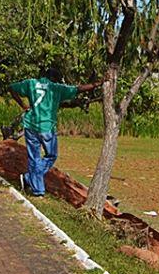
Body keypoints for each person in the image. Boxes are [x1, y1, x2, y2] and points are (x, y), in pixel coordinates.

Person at [8, 68, 100, 197]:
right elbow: (78, 89)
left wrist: (23, 105)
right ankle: (34, 185)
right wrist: (96, 84)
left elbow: (11, 87)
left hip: (30, 125)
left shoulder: (31, 83)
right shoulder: (56, 88)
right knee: (51, 155)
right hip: (46, 127)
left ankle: (33, 183)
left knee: (34, 157)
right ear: (55, 78)